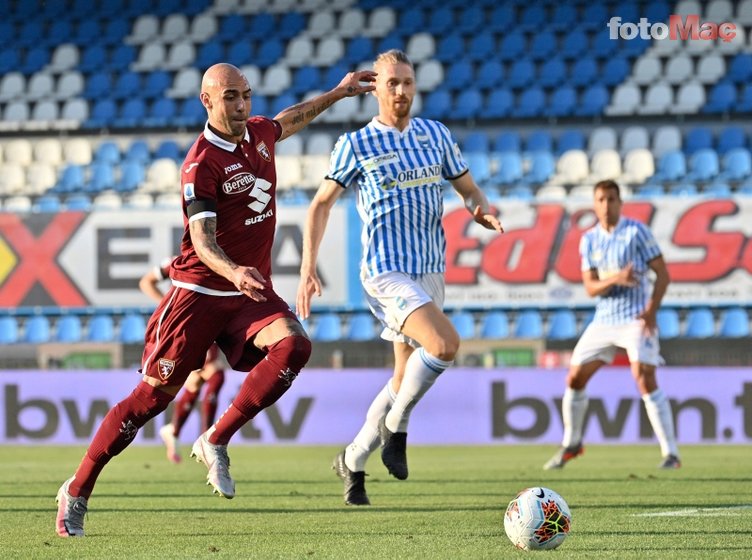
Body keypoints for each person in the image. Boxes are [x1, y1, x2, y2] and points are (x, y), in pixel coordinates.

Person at [55, 62, 376, 537]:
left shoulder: (258, 134)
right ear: (207, 101)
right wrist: (233, 270)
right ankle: (77, 490)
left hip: (245, 294)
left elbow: (291, 117)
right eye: (229, 96)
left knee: (295, 346)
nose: (241, 104)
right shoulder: (200, 163)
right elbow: (201, 239)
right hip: (199, 296)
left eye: (245, 94)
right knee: (148, 402)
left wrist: (340, 92)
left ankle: (215, 438)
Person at [295, 49, 503, 506]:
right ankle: (398, 426)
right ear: (376, 89)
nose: (402, 91)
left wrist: (481, 211)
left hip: (430, 269)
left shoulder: (436, 135)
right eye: (393, 84)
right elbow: (320, 205)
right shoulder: (356, 144)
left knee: (402, 375)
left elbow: (469, 190)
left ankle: (351, 460)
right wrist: (308, 268)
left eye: (408, 83)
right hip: (385, 271)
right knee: (445, 345)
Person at [543, 179, 680, 471]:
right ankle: (572, 443)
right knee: (574, 379)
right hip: (604, 320)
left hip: (634, 318)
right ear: (594, 204)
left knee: (644, 377)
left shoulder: (637, 232)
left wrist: (652, 311)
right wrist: (616, 278)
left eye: (612, 199)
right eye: (601, 200)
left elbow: (663, 274)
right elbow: (591, 288)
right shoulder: (589, 239)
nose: (607, 205)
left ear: (620, 202)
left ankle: (671, 453)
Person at [139, 256, 226, 464]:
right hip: (183, 327)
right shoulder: (179, 261)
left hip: (206, 325)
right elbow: (146, 281)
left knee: (202, 379)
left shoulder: (220, 261)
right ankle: (207, 440)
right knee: (212, 374)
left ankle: (176, 430)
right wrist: (167, 307)